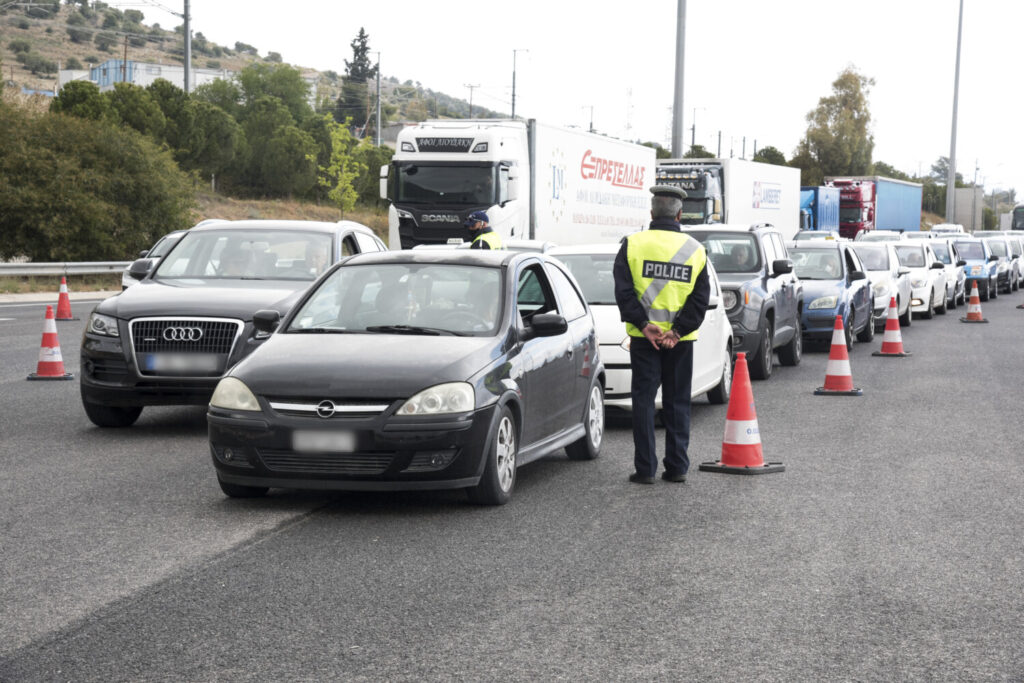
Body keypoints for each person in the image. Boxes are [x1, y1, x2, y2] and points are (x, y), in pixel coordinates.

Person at [613, 185, 710, 485]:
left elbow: (623, 292)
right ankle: (677, 467)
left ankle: (645, 470)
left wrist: (644, 325)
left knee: (643, 402)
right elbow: (700, 299)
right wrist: (678, 331)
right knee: (678, 402)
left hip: (645, 339)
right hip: (680, 343)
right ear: (680, 214)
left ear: (652, 212)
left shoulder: (632, 244)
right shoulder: (696, 250)